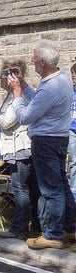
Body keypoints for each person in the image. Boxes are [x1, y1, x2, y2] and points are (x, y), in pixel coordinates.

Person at [9, 39, 76, 249]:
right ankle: (71, 228)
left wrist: (17, 94)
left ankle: (52, 234)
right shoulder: (62, 77)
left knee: (50, 189)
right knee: (62, 185)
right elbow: (39, 100)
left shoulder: (49, 88)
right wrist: (26, 85)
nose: (32, 61)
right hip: (59, 138)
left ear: (44, 62)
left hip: (45, 140)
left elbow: (26, 116)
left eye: (35, 59)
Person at [0, 59, 40, 239]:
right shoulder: (17, 94)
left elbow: (6, 122)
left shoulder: (18, 96)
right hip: (22, 147)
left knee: (20, 188)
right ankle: (36, 225)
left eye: (2, 76)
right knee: (32, 189)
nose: (0, 80)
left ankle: (19, 229)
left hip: (20, 148)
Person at [68, 62, 76, 200]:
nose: (74, 76)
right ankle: (74, 191)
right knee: (74, 161)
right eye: (72, 73)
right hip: (71, 129)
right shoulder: (69, 90)